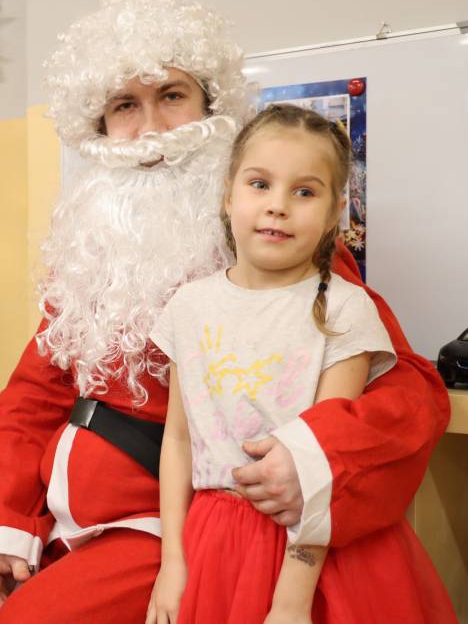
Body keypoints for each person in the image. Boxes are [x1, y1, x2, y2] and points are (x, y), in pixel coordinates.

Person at [0, 0, 450, 623]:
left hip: (163, 515)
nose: (150, 130)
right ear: (101, 127)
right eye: (125, 105)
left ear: (212, 106)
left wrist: (314, 458)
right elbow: (33, 395)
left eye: (171, 96)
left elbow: (409, 391)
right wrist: (3, 523)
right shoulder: (95, 247)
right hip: (57, 498)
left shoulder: (273, 245)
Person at [146, 103, 455, 623]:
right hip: (214, 542)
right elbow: (178, 439)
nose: (278, 206)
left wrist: (290, 603)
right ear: (228, 195)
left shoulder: (345, 310)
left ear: (336, 212)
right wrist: (172, 562)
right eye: (259, 184)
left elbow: (323, 465)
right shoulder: (188, 306)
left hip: (309, 551)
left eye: (305, 192)